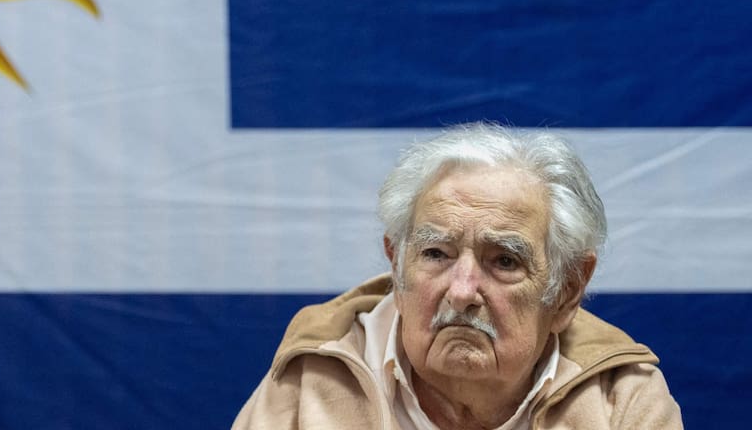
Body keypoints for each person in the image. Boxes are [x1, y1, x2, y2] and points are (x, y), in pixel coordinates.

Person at [233, 122, 682, 429]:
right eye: (436, 254)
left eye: (504, 261)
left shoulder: (621, 399)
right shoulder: (313, 376)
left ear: (566, 290)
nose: (462, 292)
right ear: (397, 265)